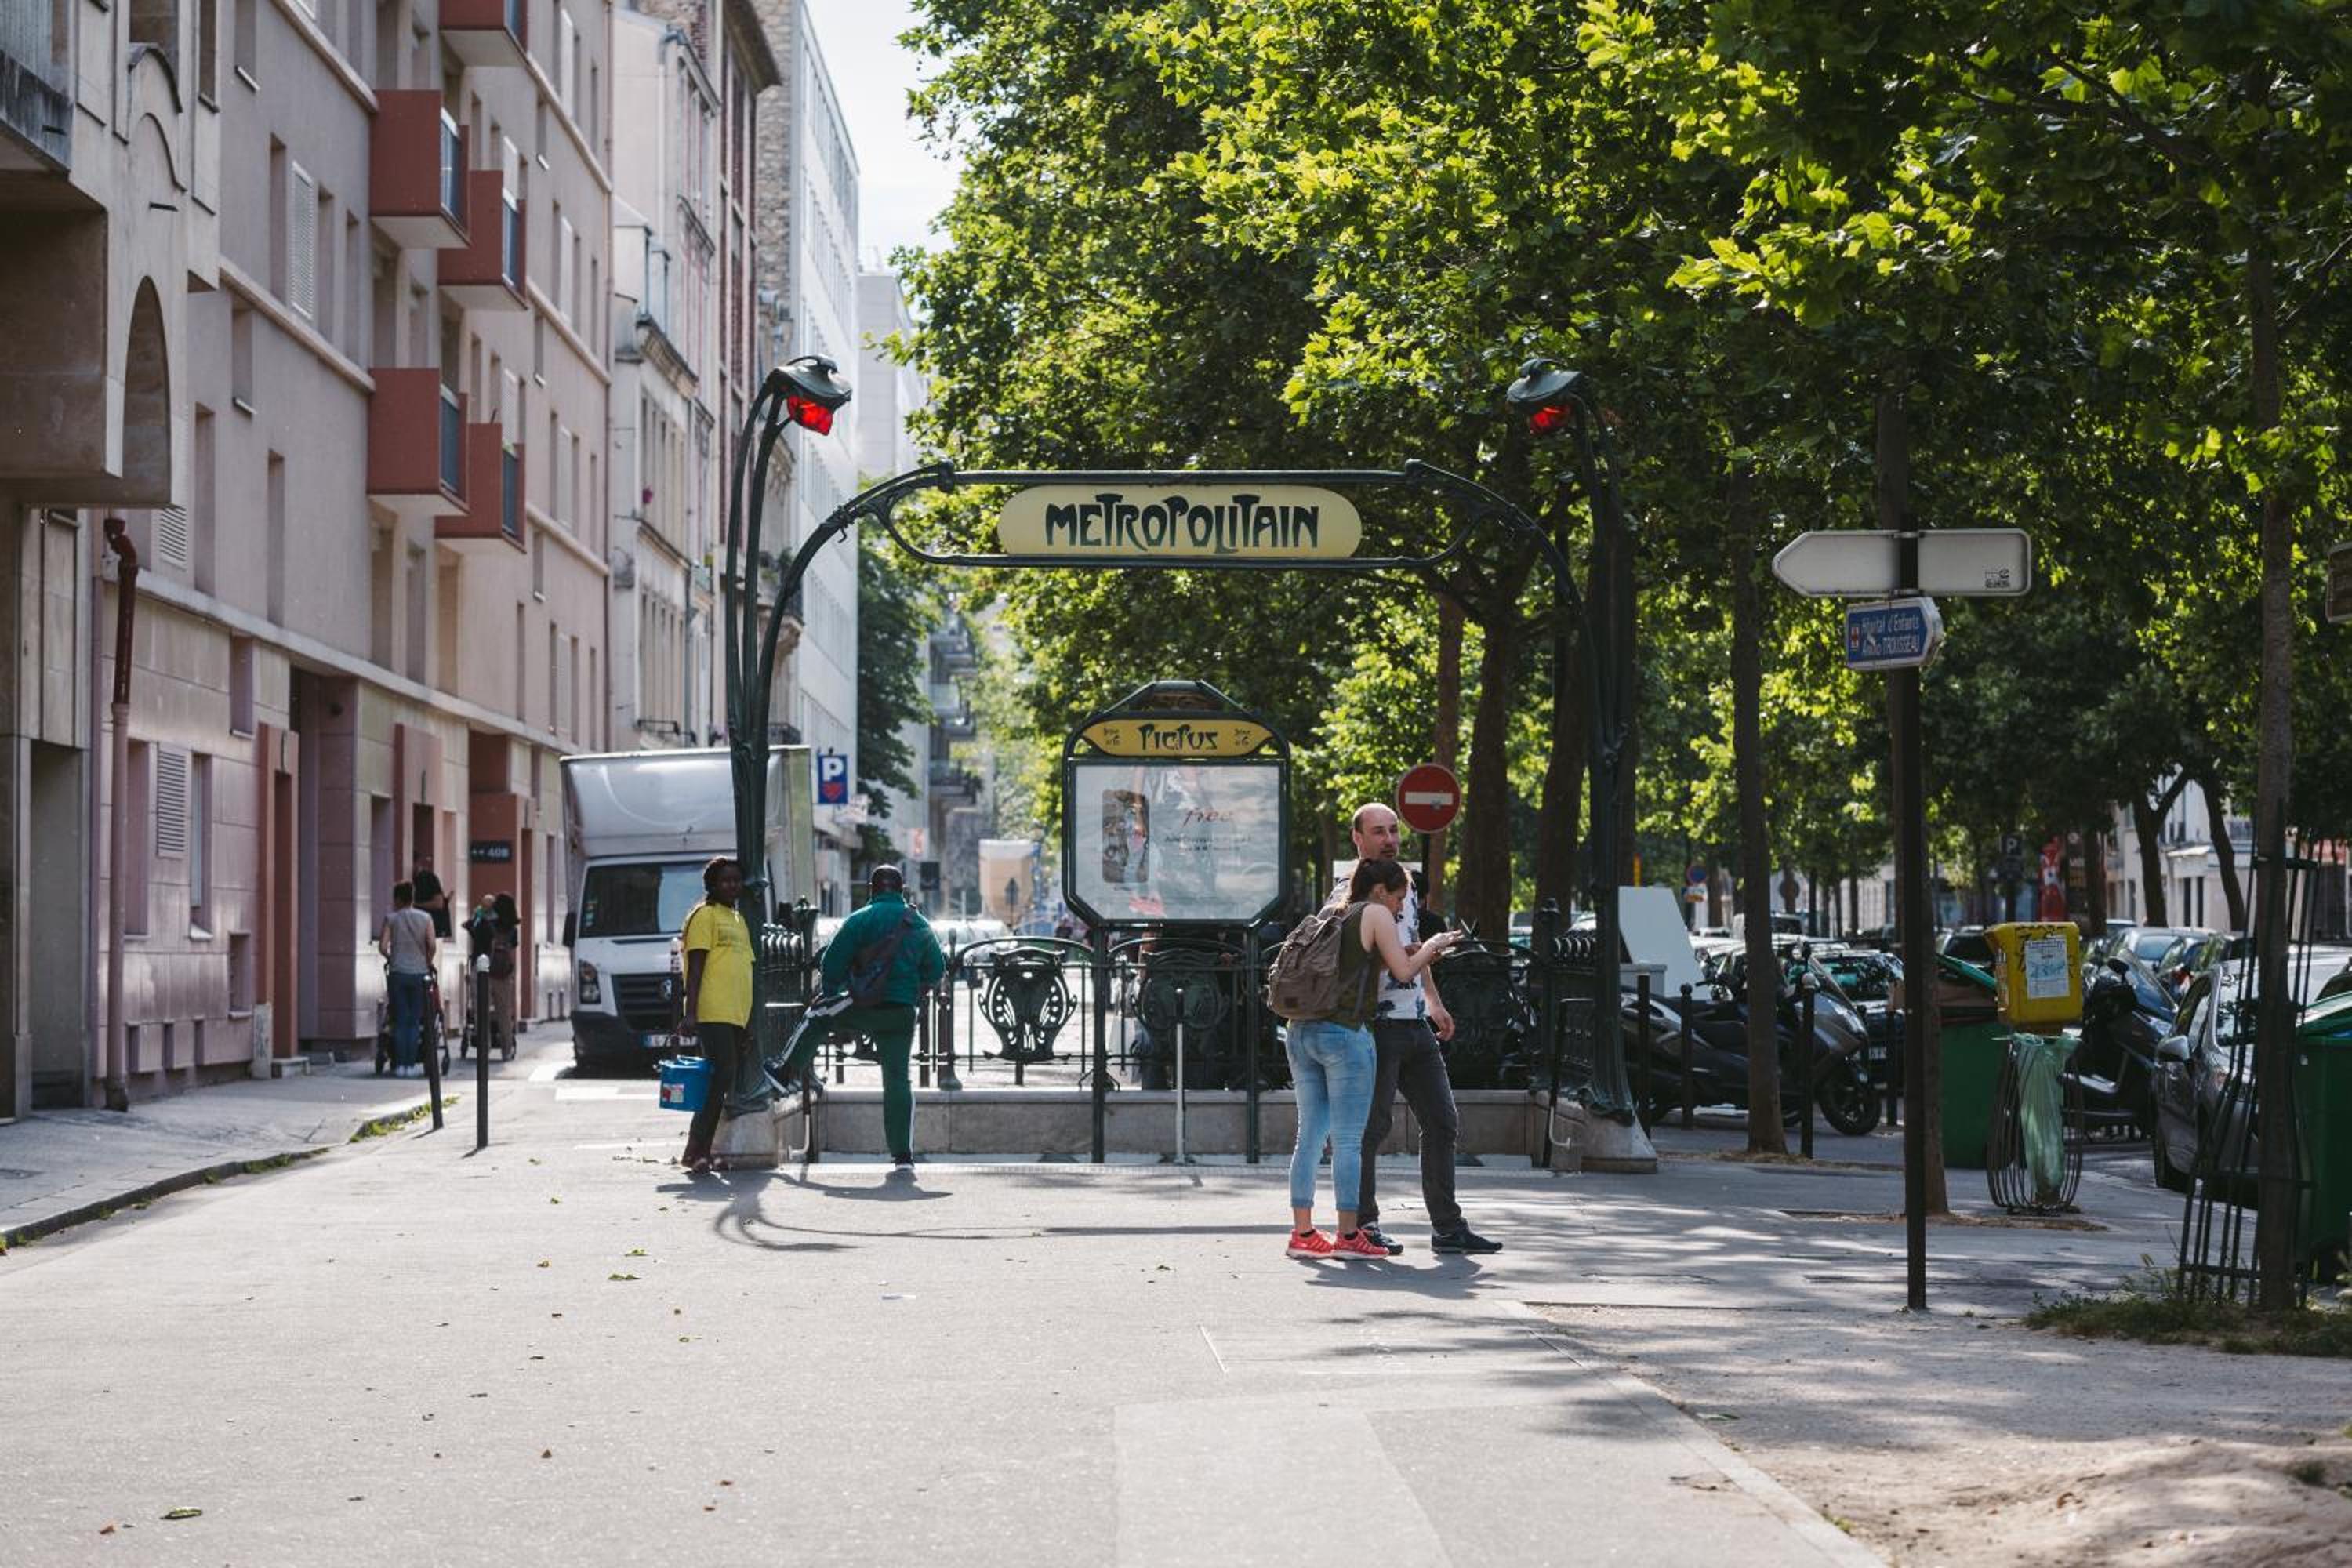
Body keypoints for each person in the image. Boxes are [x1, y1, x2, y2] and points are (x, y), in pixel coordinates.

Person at [1341, 804, 1502, 1255]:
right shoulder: (1348, 890)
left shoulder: (1406, 885)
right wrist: (1409, 957)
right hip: (1374, 1025)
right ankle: (1362, 1225)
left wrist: (1433, 1000)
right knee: (1372, 1128)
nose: (1390, 839)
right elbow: (1353, 959)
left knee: (1442, 1121)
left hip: (1413, 1021)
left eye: (1394, 830)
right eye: (1378, 832)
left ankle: (1448, 1228)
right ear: (1358, 838)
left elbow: (1410, 946)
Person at [1287, 858, 1461, 1259]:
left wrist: (1408, 951)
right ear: (1380, 891)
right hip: (1343, 1034)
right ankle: (1350, 1236)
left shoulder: (1339, 910)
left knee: (1308, 1136)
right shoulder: (1376, 912)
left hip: (1302, 1030)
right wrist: (1431, 947)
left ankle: (1303, 1233)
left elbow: (1358, 963)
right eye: (1399, 898)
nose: (1401, 908)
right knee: (1349, 1139)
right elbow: (1403, 972)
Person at [775, 866, 945, 1170]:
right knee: (897, 1080)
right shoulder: (918, 922)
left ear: (872, 889)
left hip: (861, 1005)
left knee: (816, 1016)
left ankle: (784, 1071)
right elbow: (936, 970)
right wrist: (912, 991)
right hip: (901, 1012)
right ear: (902, 890)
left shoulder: (860, 919)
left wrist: (831, 992)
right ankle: (902, 1156)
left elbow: (832, 964)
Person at [677, 859, 753, 1174]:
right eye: (725, 881)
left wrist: (746, 1021)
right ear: (712, 885)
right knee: (721, 1076)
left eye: (737, 880)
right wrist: (691, 1013)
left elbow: (743, 967)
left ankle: (700, 1150)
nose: (733, 886)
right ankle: (697, 1150)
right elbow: (695, 967)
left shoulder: (738, 918)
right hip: (713, 1010)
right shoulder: (704, 916)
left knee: (721, 1080)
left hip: (736, 1013)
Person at [378, 881, 437, 1079]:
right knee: (414, 1020)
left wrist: (392, 958)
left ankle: (400, 1065)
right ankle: (411, 1065)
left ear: (397, 899)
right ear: (412, 897)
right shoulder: (426, 918)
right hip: (420, 975)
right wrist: (427, 961)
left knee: (401, 1019)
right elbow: (432, 945)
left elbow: (383, 947)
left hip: (398, 974)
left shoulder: (391, 919)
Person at [488, 892, 521, 1055]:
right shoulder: (513, 930)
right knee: (504, 1012)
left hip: (488, 972)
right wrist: (511, 970)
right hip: (504, 973)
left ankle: (485, 1045)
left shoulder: (490, 925)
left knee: (483, 1010)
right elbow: (512, 952)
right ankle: (506, 1050)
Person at [412, 855, 452, 939]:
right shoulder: (416, 880)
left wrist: (416, 905)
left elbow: (438, 904)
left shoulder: (428, 878)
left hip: (430, 927)